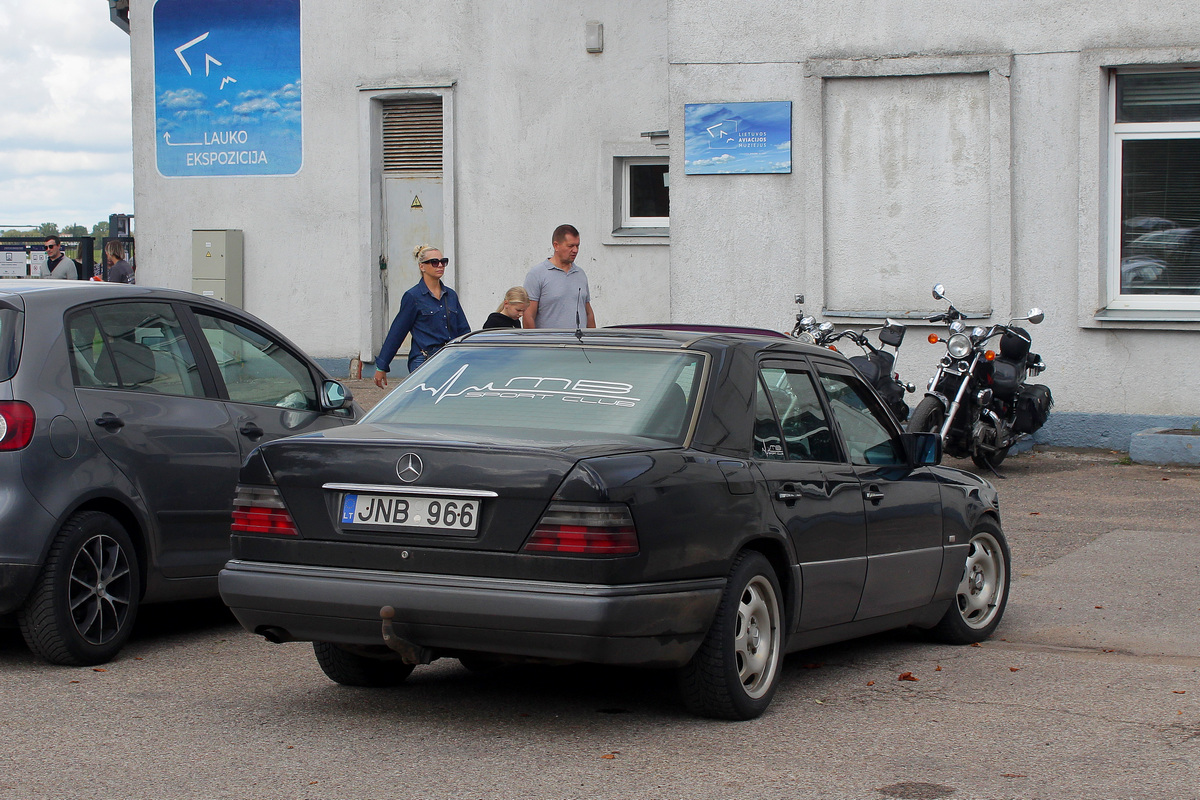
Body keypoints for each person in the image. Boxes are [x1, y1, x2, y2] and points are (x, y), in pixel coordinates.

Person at [373, 244, 470, 387]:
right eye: (434, 262)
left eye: (443, 261)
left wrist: (471, 355)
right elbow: (397, 332)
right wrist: (382, 366)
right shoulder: (413, 296)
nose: (440, 265)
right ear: (422, 267)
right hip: (424, 360)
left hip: (450, 358)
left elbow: (463, 330)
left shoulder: (451, 295)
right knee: (425, 403)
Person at [522, 224, 595, 329]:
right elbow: (528, 316)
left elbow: (588, 313)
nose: (575, 250)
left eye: (577, 246)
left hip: (578, 344)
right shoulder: (537, 274)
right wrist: (535, 344)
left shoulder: (580, 274)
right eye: (570, 246)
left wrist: (592, 341)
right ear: (556, 246)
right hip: (550, 344)